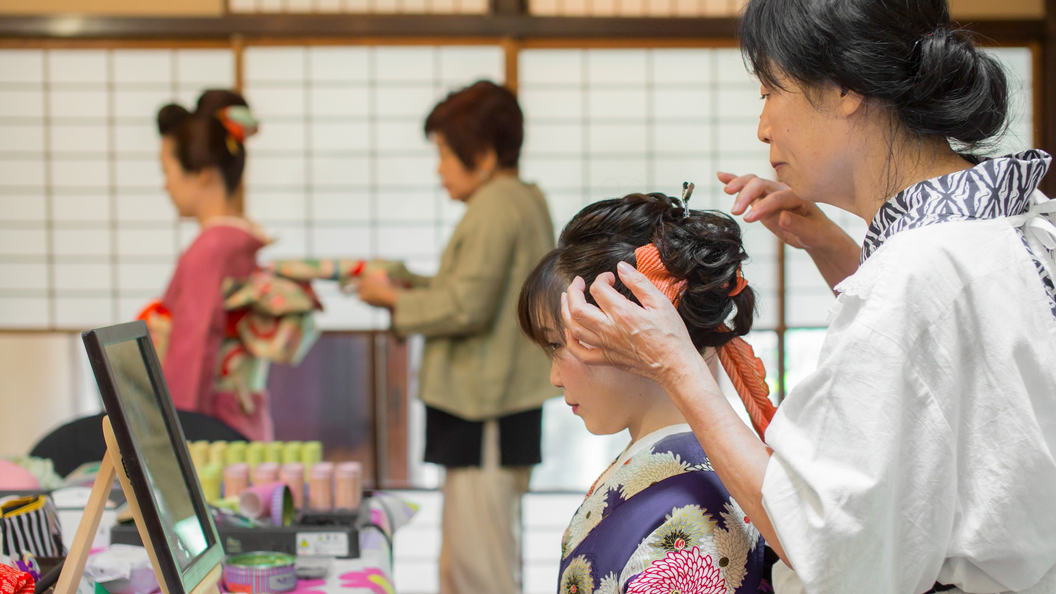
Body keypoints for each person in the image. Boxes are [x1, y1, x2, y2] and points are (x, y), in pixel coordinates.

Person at [557, 1, 1056, 592]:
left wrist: (674, 364)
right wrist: (829, 243)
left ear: (843, 85)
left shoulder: (916, 276)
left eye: (771, 89)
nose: (763, 126)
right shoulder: (1012, 227)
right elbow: (942, 364)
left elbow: (835, 548)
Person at [518, 191, 777, 594]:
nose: (554, 377)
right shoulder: (702, 464)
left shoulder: (693, 507)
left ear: (627, 327)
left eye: (557, 344)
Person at [356, 80, 557, 594]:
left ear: (484, 154)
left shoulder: (496, 205)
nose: (439, 167)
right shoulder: (522, 199)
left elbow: (467, 306)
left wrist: (393, 301)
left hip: (483, 409)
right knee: (476, 559)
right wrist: (409, 283)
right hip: (491, 405)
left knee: (478, 571)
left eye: (445, 152)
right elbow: (473, 290)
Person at [150, 90, 277, 441]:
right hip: (239, 415)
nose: (165, 185)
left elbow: (192, 349)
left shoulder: (211, 249)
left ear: (203, 174)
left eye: (168, 171)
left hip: (209, 428)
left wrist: (176, 432)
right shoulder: (238, 240)